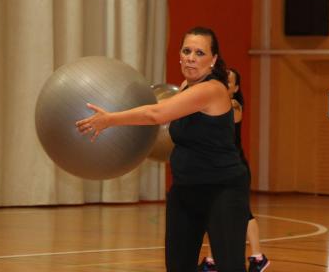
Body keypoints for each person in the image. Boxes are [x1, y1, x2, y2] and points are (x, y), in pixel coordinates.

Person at [76, 27, 250, 272]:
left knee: (230, 266)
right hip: (185, 188)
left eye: (199, 52)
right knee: (178, 265)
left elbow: (155, 114)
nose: (190, 57)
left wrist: (109, 119)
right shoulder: (186, 87)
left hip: (222, 189)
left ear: (213, 60)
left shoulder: (212, 90)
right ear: (179, 55)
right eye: (186, 50)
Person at [198, 68, 270, 272]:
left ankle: (258, 257)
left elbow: (218, 125)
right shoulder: (214, 103)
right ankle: (212, 260)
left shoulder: (234, 106)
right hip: (216, 169)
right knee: (215, 213)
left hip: (235, 169)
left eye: (228, 83)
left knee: (243, 213)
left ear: (236, 88)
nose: (223, 85)